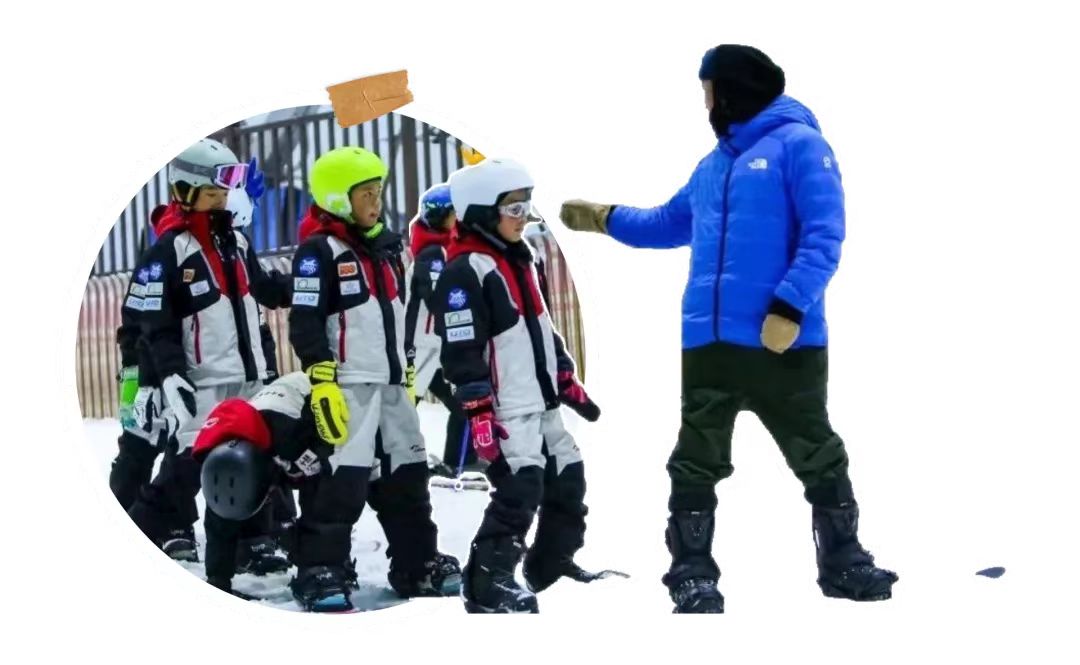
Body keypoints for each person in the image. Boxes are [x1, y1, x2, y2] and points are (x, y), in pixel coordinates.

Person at [558, 44, 898, 613]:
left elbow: (824, 234)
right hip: (709, 343)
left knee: (816, 450)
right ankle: (691, 571)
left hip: (782, 342)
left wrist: (789, 307)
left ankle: (844, 561)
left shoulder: (801, 146)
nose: (705, 103)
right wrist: (605, 217)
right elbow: (667, 223)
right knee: (695, 459)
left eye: (709, 91)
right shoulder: (712, 167)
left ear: (734, 91)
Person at [286, 146, 460, 610]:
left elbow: (397, 314)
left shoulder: (387, 248)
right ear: (337, 198)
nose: (376, 202)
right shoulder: (318, 252)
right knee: (340, 482)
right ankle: (321, 568)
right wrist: (322, 377)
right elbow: (305, 319)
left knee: (408, 477)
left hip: (392, 385)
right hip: (349, 385)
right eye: (365, 193)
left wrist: (406, 368)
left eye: (378, 192)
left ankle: (417, 563)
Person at [434, 158, 603, 614]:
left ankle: (550, 565)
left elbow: (540, 327)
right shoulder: (465, 271)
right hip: (506, 406)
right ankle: (487, 580)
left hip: (540, 401)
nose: (523, 216)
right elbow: (461, 348)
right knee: (519, 490)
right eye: (513, 208)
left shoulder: (518, 257)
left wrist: (563, 374)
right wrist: (477, 408)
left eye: (527, 206)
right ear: (481, 211)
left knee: (567, 479)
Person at [125, 139, 292, 574]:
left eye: (224, 194)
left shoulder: (237, 242)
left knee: (255, 458)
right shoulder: (168, 251)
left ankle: (253, 541)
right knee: (186, 464)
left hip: (249, 377)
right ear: (185, 191)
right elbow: (155, 325)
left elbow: (264, 289)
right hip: (203, 381)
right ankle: (146, 530)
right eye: (213, 194)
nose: (221, 202)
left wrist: (303, 287)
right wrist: (169, 376)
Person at [192, 372, 462, 608]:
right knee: (333, 494)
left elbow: (327, 490)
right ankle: (324, 565)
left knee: (378, 485)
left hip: (334, 414)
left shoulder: (289, 435)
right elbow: (220, 517)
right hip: (294, 421)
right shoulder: (221, 463)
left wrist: (309, 549)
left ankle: (415, 563)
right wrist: (218, 581)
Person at [404, 183, 473, 475]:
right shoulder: (432, 253)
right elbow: (436, 297)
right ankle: (386, 465)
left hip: (438, 345)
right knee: (403, 408)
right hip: (421, 346)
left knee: (465, 402)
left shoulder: (446, 248)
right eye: (455, 214)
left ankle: (461, 461)